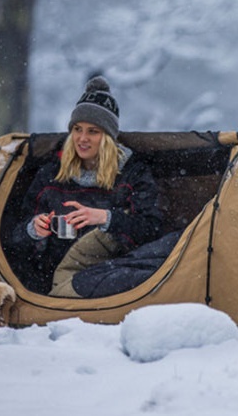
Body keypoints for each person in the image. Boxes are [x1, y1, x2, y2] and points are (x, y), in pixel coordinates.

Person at [11, 75, 166, 298]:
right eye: (77, 129)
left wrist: (106, 218)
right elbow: (14, 236)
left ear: (108, 137)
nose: (82, 138)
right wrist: (33, 230)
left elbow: (151, 231)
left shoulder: (133, 173)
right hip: (47, 282)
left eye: (93, 131)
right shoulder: (50, 174)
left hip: (110, 282)